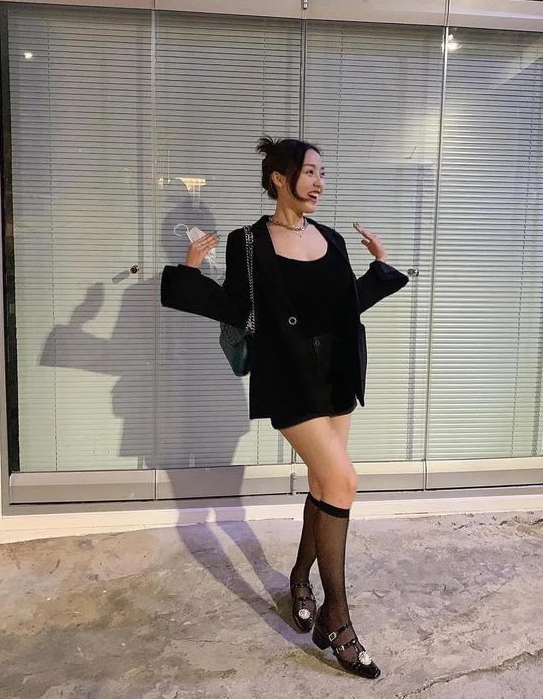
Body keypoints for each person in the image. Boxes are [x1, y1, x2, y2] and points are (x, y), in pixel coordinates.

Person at [160, 135, 410, 680]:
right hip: (290, 379)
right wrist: (189, 273)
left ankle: (300, 578)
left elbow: (345, 308)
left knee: (325, 484)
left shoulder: (332, 238)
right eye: (310, 172)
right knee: (344, 481)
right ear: (280, 178)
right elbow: (237, 308)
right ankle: (336, 619)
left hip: (337, 374)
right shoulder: (248, 242)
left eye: (322, 173)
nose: (319, 183)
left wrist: (381, 269)